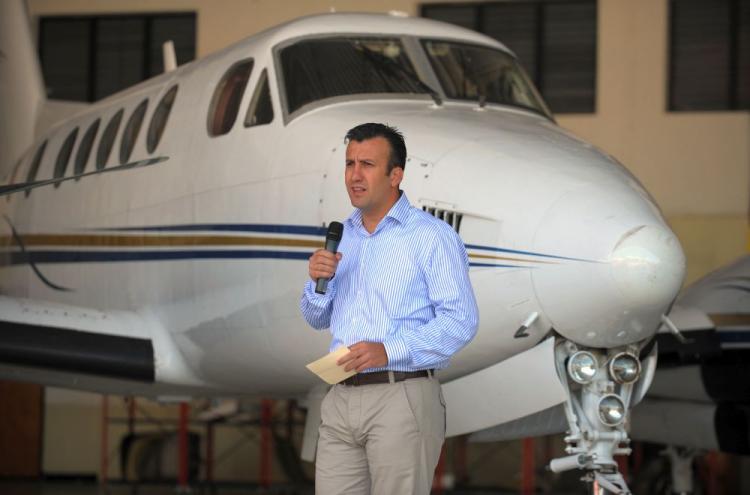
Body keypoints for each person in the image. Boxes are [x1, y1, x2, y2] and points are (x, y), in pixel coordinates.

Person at [300, 122, 479, 495]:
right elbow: (316, 317)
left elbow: (461, 321)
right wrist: (318, 283)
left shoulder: (431, 237)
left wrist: (388, 349)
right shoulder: (342, 235)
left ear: (395, 175)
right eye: (349, 164)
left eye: (367, 164)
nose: (354, 175)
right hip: (340, 396)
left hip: (401, 395)